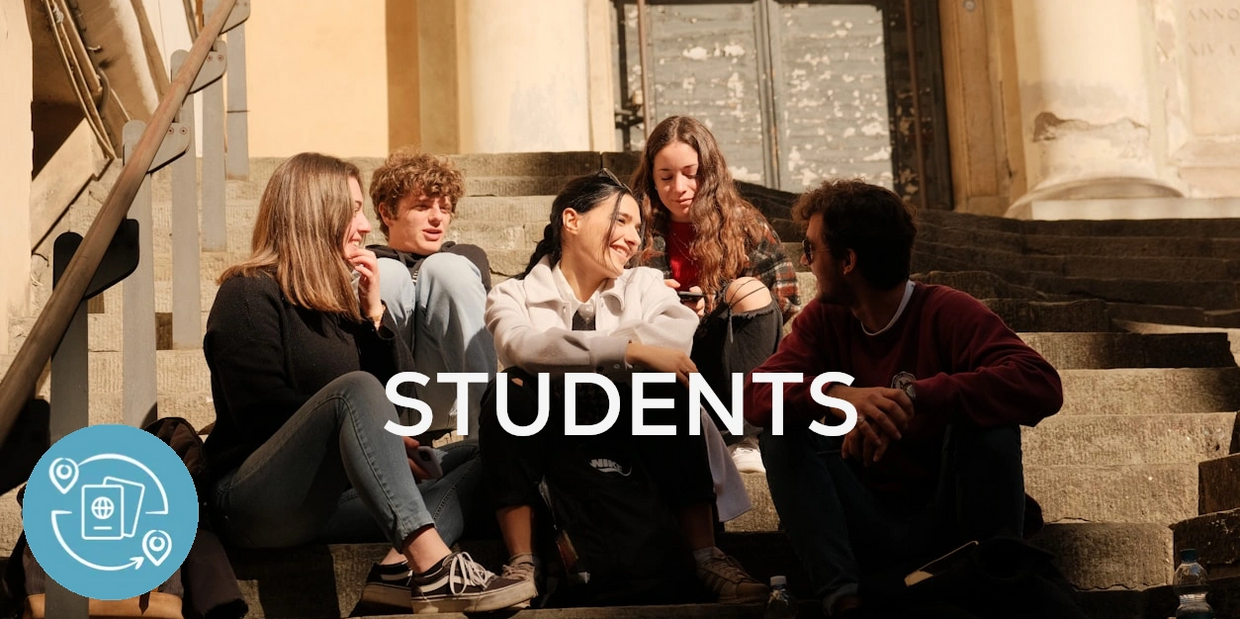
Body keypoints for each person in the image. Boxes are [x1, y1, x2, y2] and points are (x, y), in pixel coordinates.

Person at [201, 153, 535, 614]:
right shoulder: (247, 292)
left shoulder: (343, 303)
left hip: (337, 502)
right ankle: (434, 567)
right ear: (316, 214)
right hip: (256, 501)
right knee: (356, 389)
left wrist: (375, 317)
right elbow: (259, 413)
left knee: (488, 451)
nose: (363, 227)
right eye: (354, 211)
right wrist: (364, 436)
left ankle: (397, 569)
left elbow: (406, 407)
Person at [744, 179, 1063, 618]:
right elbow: (754, 392)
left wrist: (911, 397)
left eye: (812, 250)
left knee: (991, 421)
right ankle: (844, 600)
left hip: (948, 523)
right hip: (867, 524)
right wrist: (839, 396)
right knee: (782, 430)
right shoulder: (824, 319)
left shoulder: (947, 311)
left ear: (848, 261)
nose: (805, 261)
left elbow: (1039, 381)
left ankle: (995, 575)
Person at [479, 170, 768, 605]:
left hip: (634, 432)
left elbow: (675, 342)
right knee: (509, 392)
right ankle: (522, 564)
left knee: (669, 391)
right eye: (621, 221)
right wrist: (630, 351)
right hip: (554, 440)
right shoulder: (512, 294)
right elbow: (521, 347)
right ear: (571, 220)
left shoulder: (645, 283)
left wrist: (566, 355)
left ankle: (707, 556)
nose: (633, 238)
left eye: (638, 227)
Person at [632, 115, 800, 474]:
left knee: (749, 291)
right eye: (666, 177)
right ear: (652, 178)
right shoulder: (634, 226)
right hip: (663, 362)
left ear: (709, 172)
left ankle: (745, 438)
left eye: (691, 174)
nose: (679, 187)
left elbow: (782, 302)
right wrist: (656, 302)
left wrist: (717, 305)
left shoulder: (743, 224)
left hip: (727, 365)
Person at [368, 147, 495, 437]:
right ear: (387, 212)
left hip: (445, 398)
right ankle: (371, 431)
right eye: (423, 206)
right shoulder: (368, 260)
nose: (437, 218)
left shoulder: (465, 258)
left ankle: (487, 433)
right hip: (383, 402)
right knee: (384, 273)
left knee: (445, 268)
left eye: (445, 208)